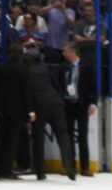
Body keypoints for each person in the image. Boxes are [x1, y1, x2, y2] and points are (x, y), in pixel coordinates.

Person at [27, 50, 76, 180]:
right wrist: (60, 101)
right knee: (63, 134)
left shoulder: (27, 72)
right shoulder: (45, 69)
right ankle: (68, 165)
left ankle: (40, 171)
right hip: (55, 103)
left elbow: (28, 94)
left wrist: (30, 111)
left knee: (38, 138)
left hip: (39, 106)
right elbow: (57, 85)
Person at [0, 48, 34, 180]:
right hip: (18, 111)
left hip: (2, 110)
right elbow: (26, 92)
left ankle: (1, 170)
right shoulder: (23, 70)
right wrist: (30, 111)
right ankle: (7, 171)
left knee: (3, 139)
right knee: (12, 141)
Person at [61, 41, 97, 176]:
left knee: (82, 136)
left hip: (81, 105)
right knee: (68, 136)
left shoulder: (86, 67)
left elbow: (94, 86)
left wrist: (93, 103)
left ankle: (85, 166)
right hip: (68, 104)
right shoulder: (65, 67)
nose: (63, 53)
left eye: (65, 50)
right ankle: (70, 166)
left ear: (72, 51)